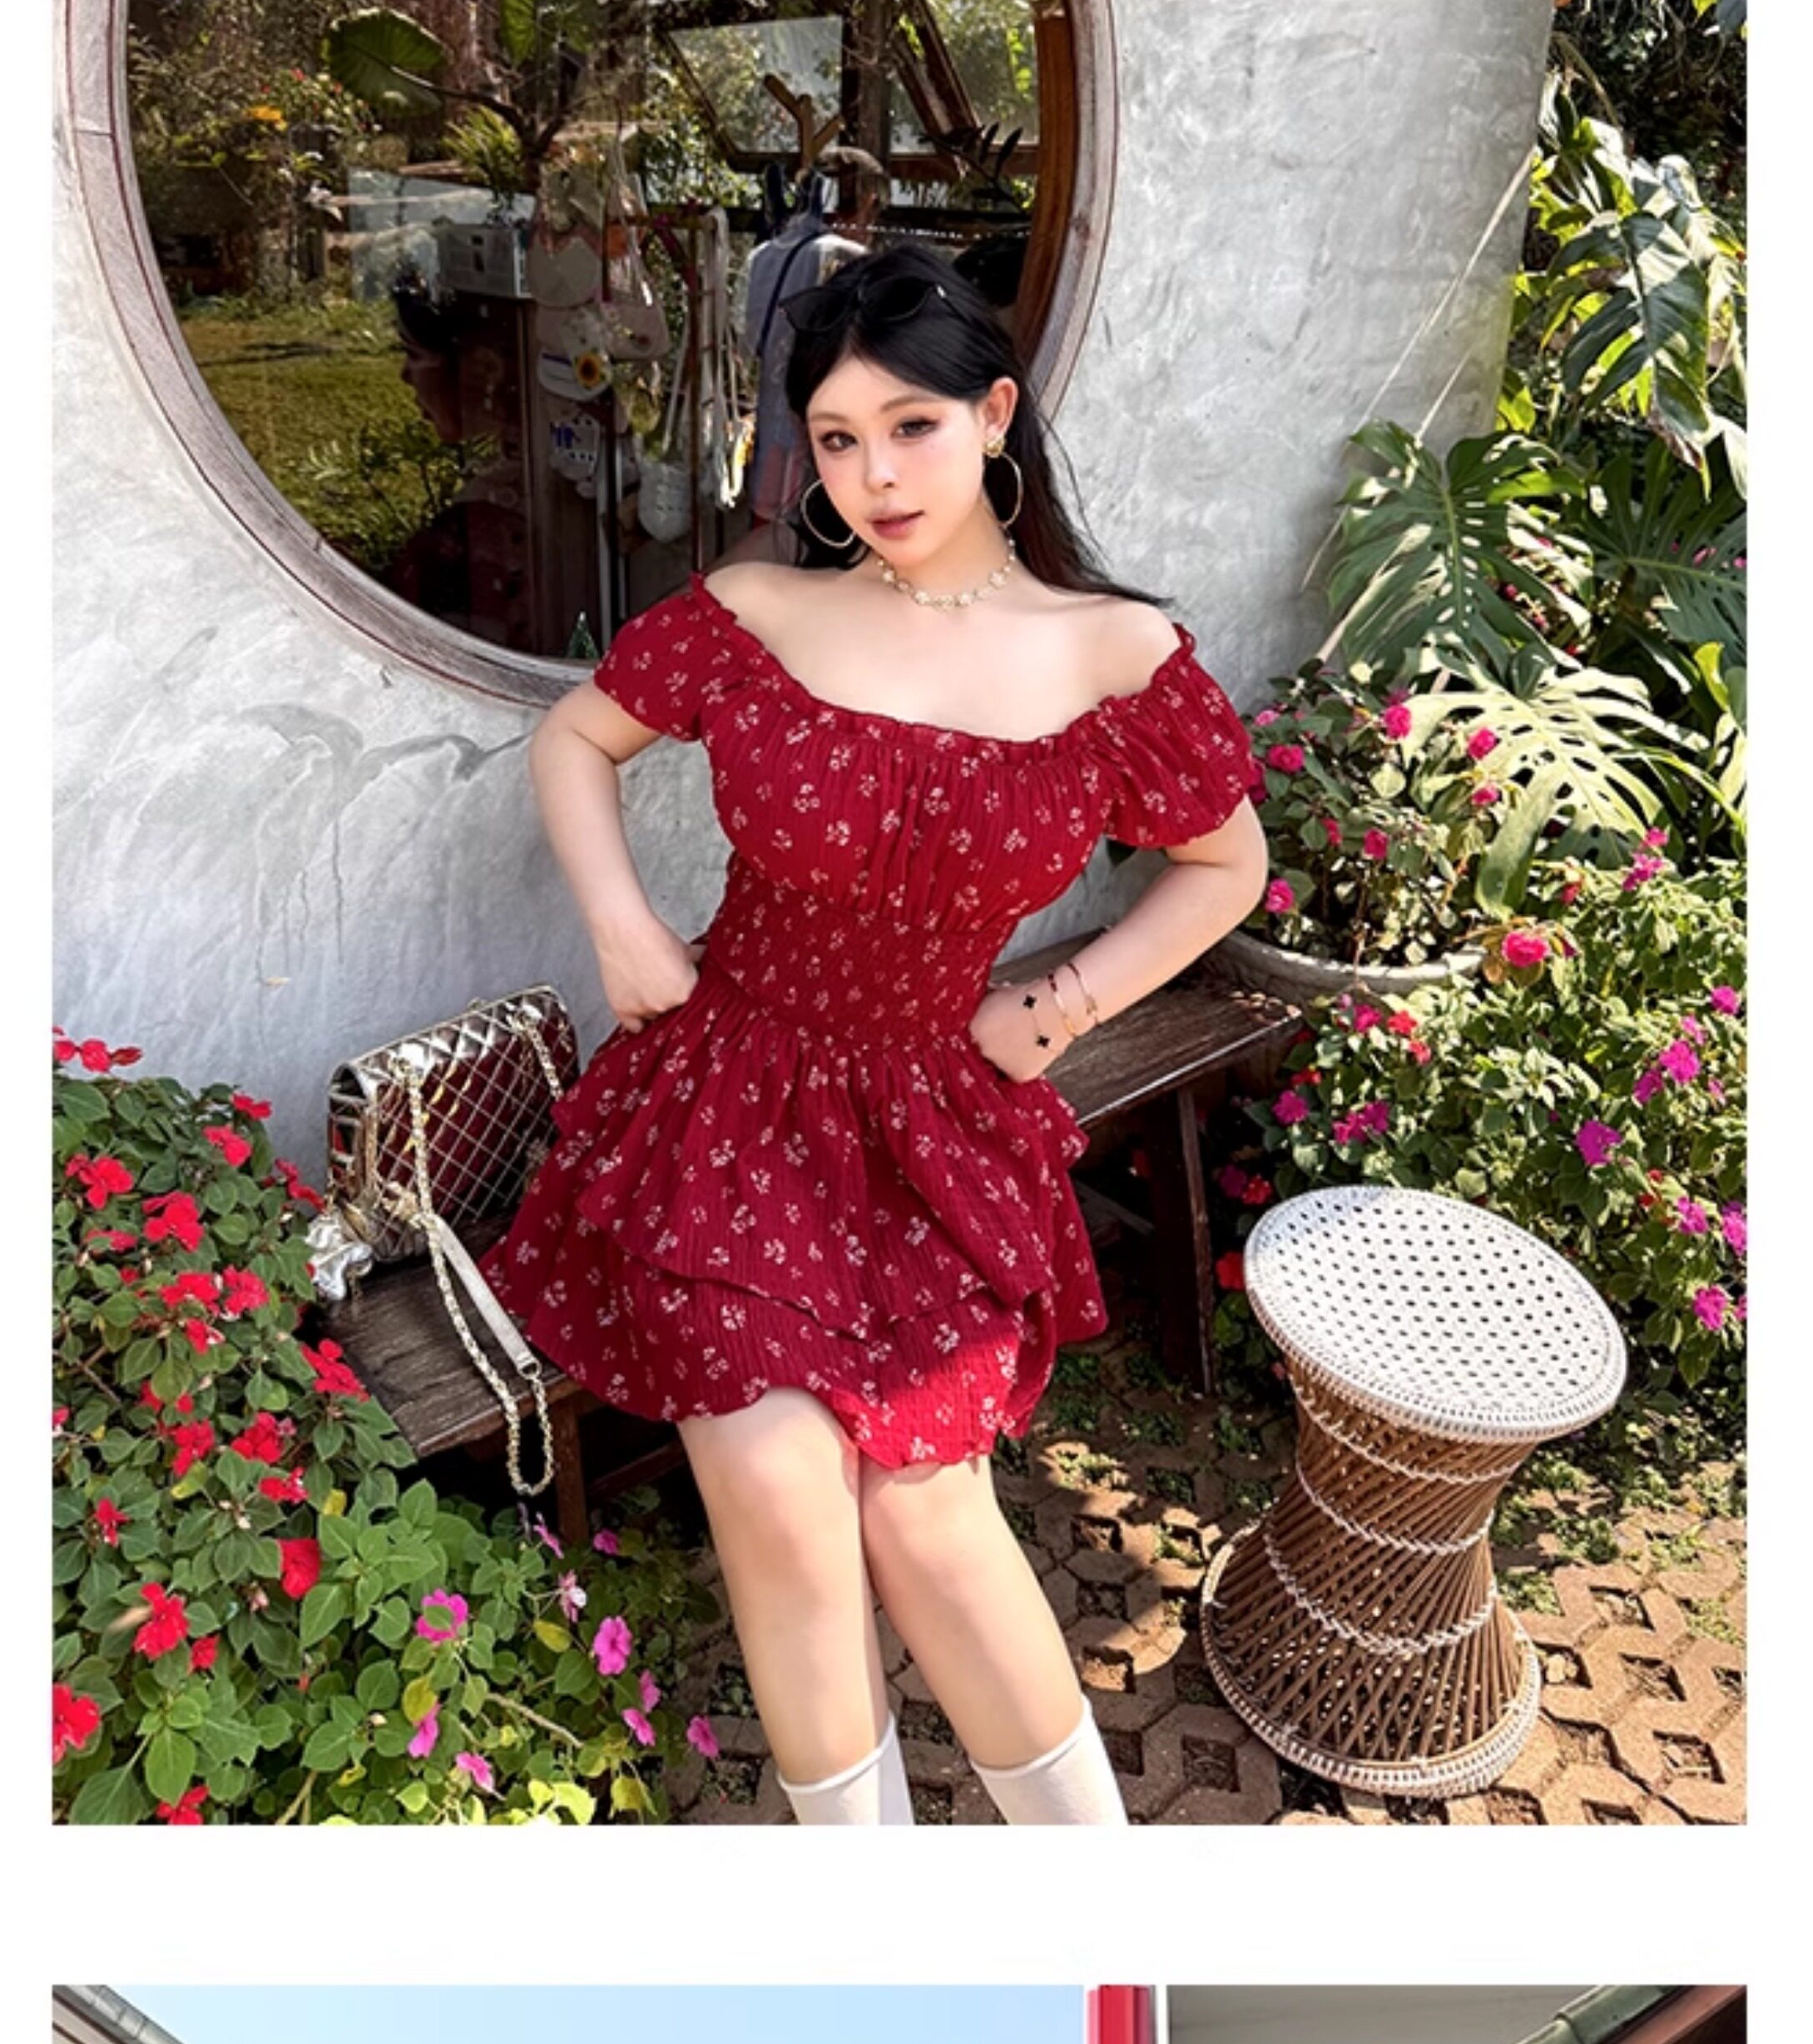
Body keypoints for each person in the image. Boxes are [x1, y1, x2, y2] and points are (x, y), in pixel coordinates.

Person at [481, 239, 1270, 1823]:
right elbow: (577, 737)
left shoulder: (1113, 653)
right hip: (729, 1099)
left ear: (994, 416)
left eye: (910, 426)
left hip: (934, 1119)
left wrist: (1063, 1002)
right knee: (781, 1490)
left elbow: (1226, 863)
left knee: (921, 1508)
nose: (876, 475)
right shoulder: (761, 611)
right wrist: (626, 928)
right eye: (838, 440)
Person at [738, 148, 883, 534]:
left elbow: (747, 341)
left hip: (772, 421)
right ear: (863, 202)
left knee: (768, 534)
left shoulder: (766, 254)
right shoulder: (845, 256)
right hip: (824, 436)